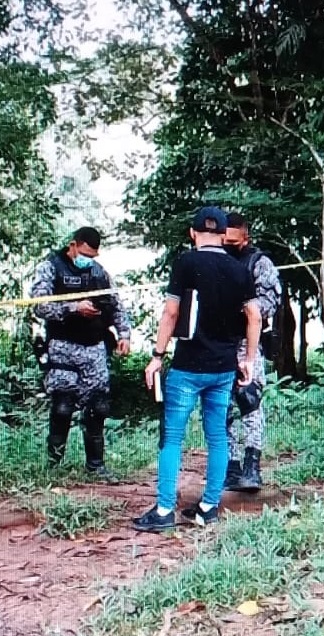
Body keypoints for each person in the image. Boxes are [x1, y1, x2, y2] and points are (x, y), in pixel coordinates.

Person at [132, 206, 262, 532]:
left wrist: (157, 355)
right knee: (217, 436)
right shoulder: (240, 270)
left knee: (172, 437)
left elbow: (171, 313)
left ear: (192, 234)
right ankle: (207, 507)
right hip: (223, 369)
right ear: (223, 235)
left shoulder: (186, 263)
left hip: (188, 367)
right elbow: (255, 317)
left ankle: (164, 511)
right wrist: (248, 360)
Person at [30, 226, 131, 481]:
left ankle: (95, 466)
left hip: (94, 349)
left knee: (98, 407)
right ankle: (54, 466)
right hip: (63, 348)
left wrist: (125, 335)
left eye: (94, 255)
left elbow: (116, 306)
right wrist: (73, 308)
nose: (89, 260)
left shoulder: (99, 273)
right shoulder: (51, 267)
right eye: (85, 253)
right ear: (73, 245)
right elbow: (38, 305)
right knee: (63, 407)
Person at [222, 212, 282, 492]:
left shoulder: (260, 263)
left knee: (249, 399)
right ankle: (230, 466)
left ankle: (251, 466)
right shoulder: (214, 258)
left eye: (234, 240)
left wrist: (243, 308)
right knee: (220, 405)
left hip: (247, 340)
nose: (228, 244)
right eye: (225, 239)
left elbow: (268, 304)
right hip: (217, 342)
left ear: (246, 238)